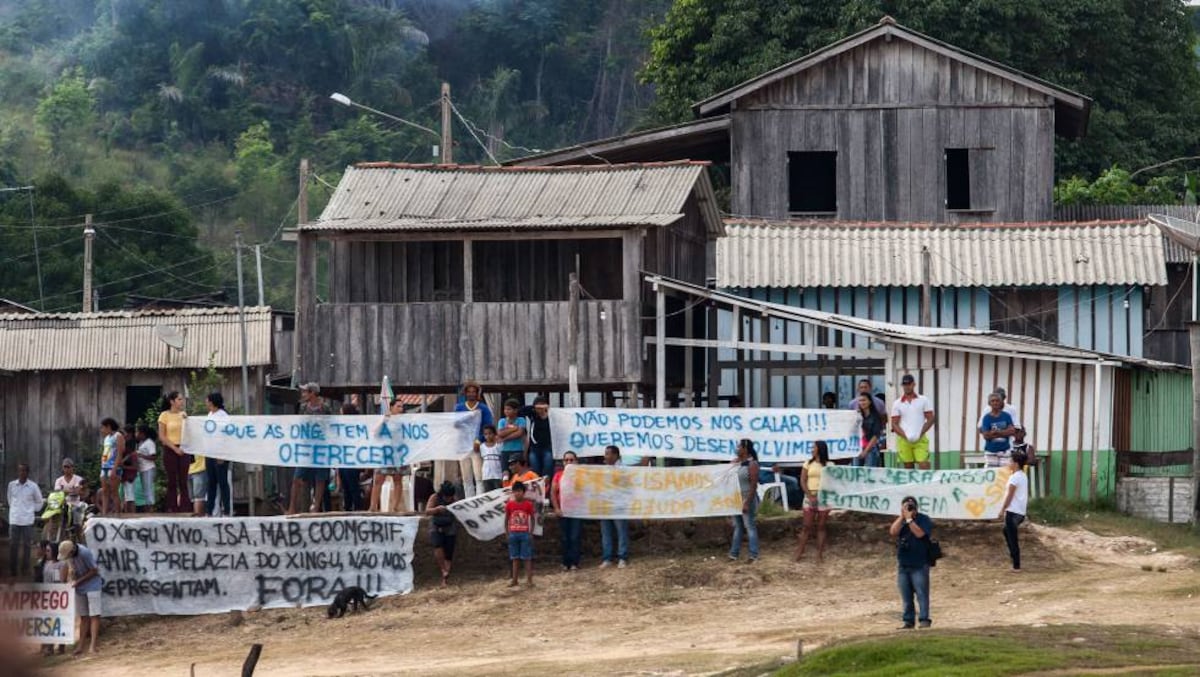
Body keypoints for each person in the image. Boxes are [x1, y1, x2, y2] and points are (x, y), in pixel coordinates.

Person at [889, 495, 934, 629]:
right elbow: (892, 532)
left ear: (916, 508)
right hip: (904, 563)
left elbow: (920, 534)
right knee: (906, 595)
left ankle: (924, 619)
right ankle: (908, 621)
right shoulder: (901, 521)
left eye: (911, 507)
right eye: (906, 507)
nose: (909, 509)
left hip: (920, 563)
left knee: (922, 593)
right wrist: (902, 517)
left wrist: (909, 520)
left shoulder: (924, 519)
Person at [291, 382, 333, 514]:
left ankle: (316, 507)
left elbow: (331, 425)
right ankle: (292, 508)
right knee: (297, 478)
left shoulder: (325, 408)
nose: (303, 395)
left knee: (320, 480)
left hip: (321, 448)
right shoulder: (303, 408)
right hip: (306, 448)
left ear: (312, 393)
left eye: (305, 392)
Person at [60, 540, 103, 654]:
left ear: (72, 550)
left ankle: (92, 646)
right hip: (80, 587)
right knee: (83, 617)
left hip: (93, 586)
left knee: (94, 615)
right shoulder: (71, 556)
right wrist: (73, 576)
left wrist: (78, 581)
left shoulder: (84, 553)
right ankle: (80, 646)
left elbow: (94, 570)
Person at [454, 381, 493, 498]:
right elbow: (455, 424)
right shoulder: (459, 408)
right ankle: (469, 500)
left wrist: (479, 440)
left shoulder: (483, 408)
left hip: (477, 446)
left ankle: (479, 499)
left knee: (479, 476)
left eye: (474, 392)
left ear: (477, 393)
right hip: (463, 445)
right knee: (466, 477)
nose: (471, 394)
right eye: (469, 392)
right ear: (465, 393)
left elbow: (488, 426)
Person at [796, 441, 831, 562]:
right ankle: (799, 553)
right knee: (806, 526)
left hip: (824, 497)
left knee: (821, 526)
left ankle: (819, 555)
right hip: (810, 495)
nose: (812, 449)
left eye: (814, 447)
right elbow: (803, 480)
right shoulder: (807, 464)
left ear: (820, 449)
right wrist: (810, 495)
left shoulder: (830, 465)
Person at [891, 374, 935, 470]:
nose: (907, 386)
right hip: (904, 439)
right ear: (902, 385)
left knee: (924, 465)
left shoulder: (923, 400)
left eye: (909, 384)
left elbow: (931, 419)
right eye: (904, 384)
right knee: (908, 467)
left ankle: (925, 485)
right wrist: (905, 436)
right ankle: (912, 486)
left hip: (920, 438)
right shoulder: (897, 403)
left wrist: (920, 432)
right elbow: (894, 423)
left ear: (914, 384)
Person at [370, 397, 407, 512]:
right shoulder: (384, 420)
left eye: (402, 407)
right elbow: (375, 434)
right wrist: (384, 421)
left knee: (397, 480)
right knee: (378, 480)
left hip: (398, 454)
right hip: (385, 454)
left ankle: (395, 507)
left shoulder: (404, 421)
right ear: (391, 407)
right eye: (398, 406)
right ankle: (373, 507)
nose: (401, 409)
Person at [7, 463, 43, 578]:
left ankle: (25, 569)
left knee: (27, 546)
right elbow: (9, 499)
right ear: (18, 472)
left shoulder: (33, 486)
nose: (22, 473)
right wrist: (14, 509)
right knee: (13, 545)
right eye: (20, 471)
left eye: (24, 471)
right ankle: (13, 570)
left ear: (27, 472)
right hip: (14, 519)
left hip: (27, 520)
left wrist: (32, 510)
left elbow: (40, 502)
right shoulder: (12, 485)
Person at [157, 391, 190, 513]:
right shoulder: (164, 415)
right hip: (170, 448)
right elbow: (162, 436)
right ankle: (172, 507)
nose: (182, 402)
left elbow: (189, 431)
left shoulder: (183, 415)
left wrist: (188, 421)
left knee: (183, 480)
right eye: (179, 399)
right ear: (172, 401)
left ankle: (185, 507)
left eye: (182, 399)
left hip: (184, 448)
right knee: (172, 480)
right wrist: (175, 448)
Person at [729, 440, 760, 562]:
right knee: (738, 526)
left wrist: (747, 502)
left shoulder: (752, 465)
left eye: (739, 446)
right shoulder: (738, 464)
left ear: (745, 449)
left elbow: (753, 485)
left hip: (747, 497)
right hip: (736, 497)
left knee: (749, 525)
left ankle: (753, 554)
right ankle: (734, 553)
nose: (737, 449)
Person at [999, 451, 1030, 572]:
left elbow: (1009, 496)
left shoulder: (1014, 477)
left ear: (1016, 463)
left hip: (1012, 512)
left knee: (1012, 537)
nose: (1009, 463)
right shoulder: (1023, 475)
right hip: (1020, 512)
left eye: (1011, 461)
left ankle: (1016, 565)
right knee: (1006, 531)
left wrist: (1002, 509)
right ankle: (1013, 558)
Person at [599, 445, 629, 569]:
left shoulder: (623, 469)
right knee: (606, 532)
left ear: (615, 455)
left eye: (608, 453)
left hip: (619, 504)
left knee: (621, 531)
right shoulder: (603, 470)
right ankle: (607, 558)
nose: (605, 456)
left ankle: (622, 557)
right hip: (605, 504)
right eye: (605, 454)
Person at [551, 451, 582, 571]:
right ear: (563, 462)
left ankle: (574, 562)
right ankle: (565, 562)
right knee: (565, 537)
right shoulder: (558, 475)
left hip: (576, 511)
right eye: (566, 460)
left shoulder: (581, 475)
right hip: (563, 511)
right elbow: (553, 493)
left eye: (571, 460)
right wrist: (556, 508)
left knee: (575, 536)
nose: (569, 462)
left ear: (576, 461)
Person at [204, 392, 232, 516]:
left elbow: (226, 435)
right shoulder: (210, 414)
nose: (206, 402)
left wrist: (222, 453)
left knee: (222, 482)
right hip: (210, 452)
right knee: (211, 482)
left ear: (212, 401)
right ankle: (209, 510)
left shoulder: (223, 416)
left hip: (220, 453)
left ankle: (226, 509)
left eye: (207, 400)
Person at [426, 481, 458, 586]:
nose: (449, 499)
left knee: (449, 552)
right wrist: (437, 509)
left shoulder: (454, 499)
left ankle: (446, 576)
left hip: (450, 525)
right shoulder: (434, 497)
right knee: (438, 546)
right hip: (436, 524)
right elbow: (427, 511)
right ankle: (443, 569)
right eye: (447, 497)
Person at [505, 481, 536, 587]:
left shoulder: (528, 505)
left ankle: (529, 580)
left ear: (524, 492)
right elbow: (506, 519)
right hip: (513, 533)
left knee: (527, 558)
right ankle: (514, 580)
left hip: (524, 533)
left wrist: (531, 532)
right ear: (513, 492)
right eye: (515, 491)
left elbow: (532, 518)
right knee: (515, 558)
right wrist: (507, 533)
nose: (517, 493)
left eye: (519, 491)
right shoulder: (509, 505)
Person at [38, 541, 67, 656]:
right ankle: (48, 646)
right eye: (46, 550)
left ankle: (59, 646)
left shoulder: (61, 564)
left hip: (57, 596)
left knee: (57, 621)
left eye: (49, 550)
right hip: (47, 596)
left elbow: (60, 581)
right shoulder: (46, 563)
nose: (47, 552)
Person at [45, 459, 85, 542]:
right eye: (65, 467)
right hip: (61, 503)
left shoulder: (78, 479)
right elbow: (57, 492)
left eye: (68, 467)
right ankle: (49, 540)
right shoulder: (59, 480)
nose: (66, 469)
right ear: (62, 468)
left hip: (74, 504)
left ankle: (80, 541)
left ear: (72, 468)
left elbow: (79, 491)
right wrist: (72, 490)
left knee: (77, 520)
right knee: (51, 516)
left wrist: (65, 491)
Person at [335, 402, 364, 511]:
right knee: (346, 487)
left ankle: (357, 508)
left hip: (352, 460)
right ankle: (348, 508)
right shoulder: (342, 426)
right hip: (343, 459)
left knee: (353, 487)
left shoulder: (355, 426)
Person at [978, 392, 1016, 468]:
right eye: (993, 401)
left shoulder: (1006, 416)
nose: (995, 402)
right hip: (990, 451)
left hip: (1005, 451)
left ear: (1001, 402)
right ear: (989, 403)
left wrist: (996, 432)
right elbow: (986, 436)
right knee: (992, 475)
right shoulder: (986, 418)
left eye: (997, 400)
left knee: (1005, 474)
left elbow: (1012, 431)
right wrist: (1005, 432)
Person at [521, 397, 554, 478]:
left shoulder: (551, 417)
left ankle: (547, 489)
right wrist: (535, 407)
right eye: (537, 407)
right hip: (534, 448)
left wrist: (546, 409)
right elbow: (522, 410)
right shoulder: (533, 416)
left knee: (547, 472)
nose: (539, 409)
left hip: (548, 448)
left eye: (541, 406)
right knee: (535, 473)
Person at [855, 392, 887, 468]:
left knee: (870, 475)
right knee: (855, 474)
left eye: (864, 400)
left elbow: (876, 435)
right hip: (857, 448)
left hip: (871, 449)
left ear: (869, 402)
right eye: (860, 401)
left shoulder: (875, 417)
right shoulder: (856, 415)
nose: (862, 402)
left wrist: (866, 451)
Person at [495, 399, 528, 470]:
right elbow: (500, 433)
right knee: (505, 471)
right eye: (505, 409)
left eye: (509, 409)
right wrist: (513, 429)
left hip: (517, 450)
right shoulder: (502, 421)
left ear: (515, 410)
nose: (506, 411)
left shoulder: (521, 420)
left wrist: (504, 438)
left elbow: (519, 433)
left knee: (517, 471)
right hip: (505, 450)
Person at [98, 418, 122, 514]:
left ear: (108, 426)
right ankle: (104, 513)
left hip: (113, 467)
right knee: (105, 491)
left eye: (103, 427)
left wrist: (115, 469)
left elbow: (120, 453)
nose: (101, 430)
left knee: (114, 492)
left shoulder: (118, 436)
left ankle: (117, 513)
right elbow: (105, 452)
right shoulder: (106, 438)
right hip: (105, 466)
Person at [134, 424, 157, 512]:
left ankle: (150, 508)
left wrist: (141, 455)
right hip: (143, 469)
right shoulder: (140, 443)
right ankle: (148, 508)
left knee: (149, 489)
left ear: (142, 433)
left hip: (148, 468)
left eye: (137, 432)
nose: (136, 434)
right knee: (145, 490)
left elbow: (153, 457)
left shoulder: (149, 443)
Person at [119, 424, 138, 513]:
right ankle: (127, 513)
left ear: (129, 433)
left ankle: (131, 514)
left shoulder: (131, 443)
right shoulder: (127, 441)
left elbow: (131, 454)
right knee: (126, 496)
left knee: (130, 497)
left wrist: (122, 462)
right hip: (125, 471)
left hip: (129, 471)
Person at [479, 424, 504, 493]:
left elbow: (501, 458)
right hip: (486, 475)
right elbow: (482, 459)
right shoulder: (482, 446)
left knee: (498, 493)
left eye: (490, 433)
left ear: (494, 434)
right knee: (488, 494)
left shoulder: (499, 445)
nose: (488, 436)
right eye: (486, 434)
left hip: (497, 474)